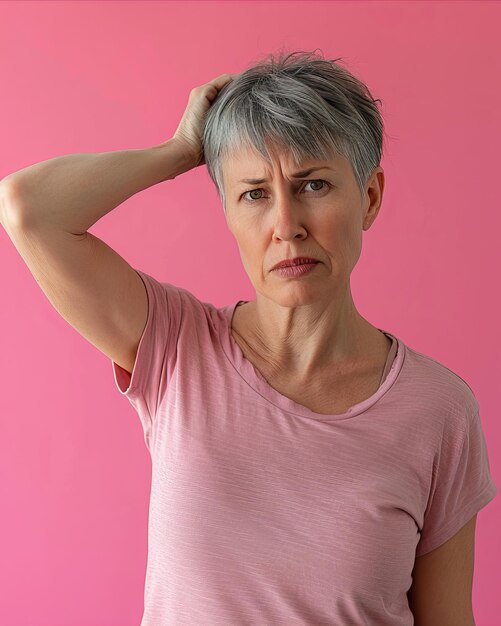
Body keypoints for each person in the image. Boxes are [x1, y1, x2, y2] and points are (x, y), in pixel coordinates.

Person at [1, 49, 497, 626]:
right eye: (254, 193)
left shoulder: (439, 411)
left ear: (369, 197)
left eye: (313, 184)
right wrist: (181, 151)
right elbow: (28, 208)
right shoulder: (176, 349)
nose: (286, 225)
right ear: (229, 213)